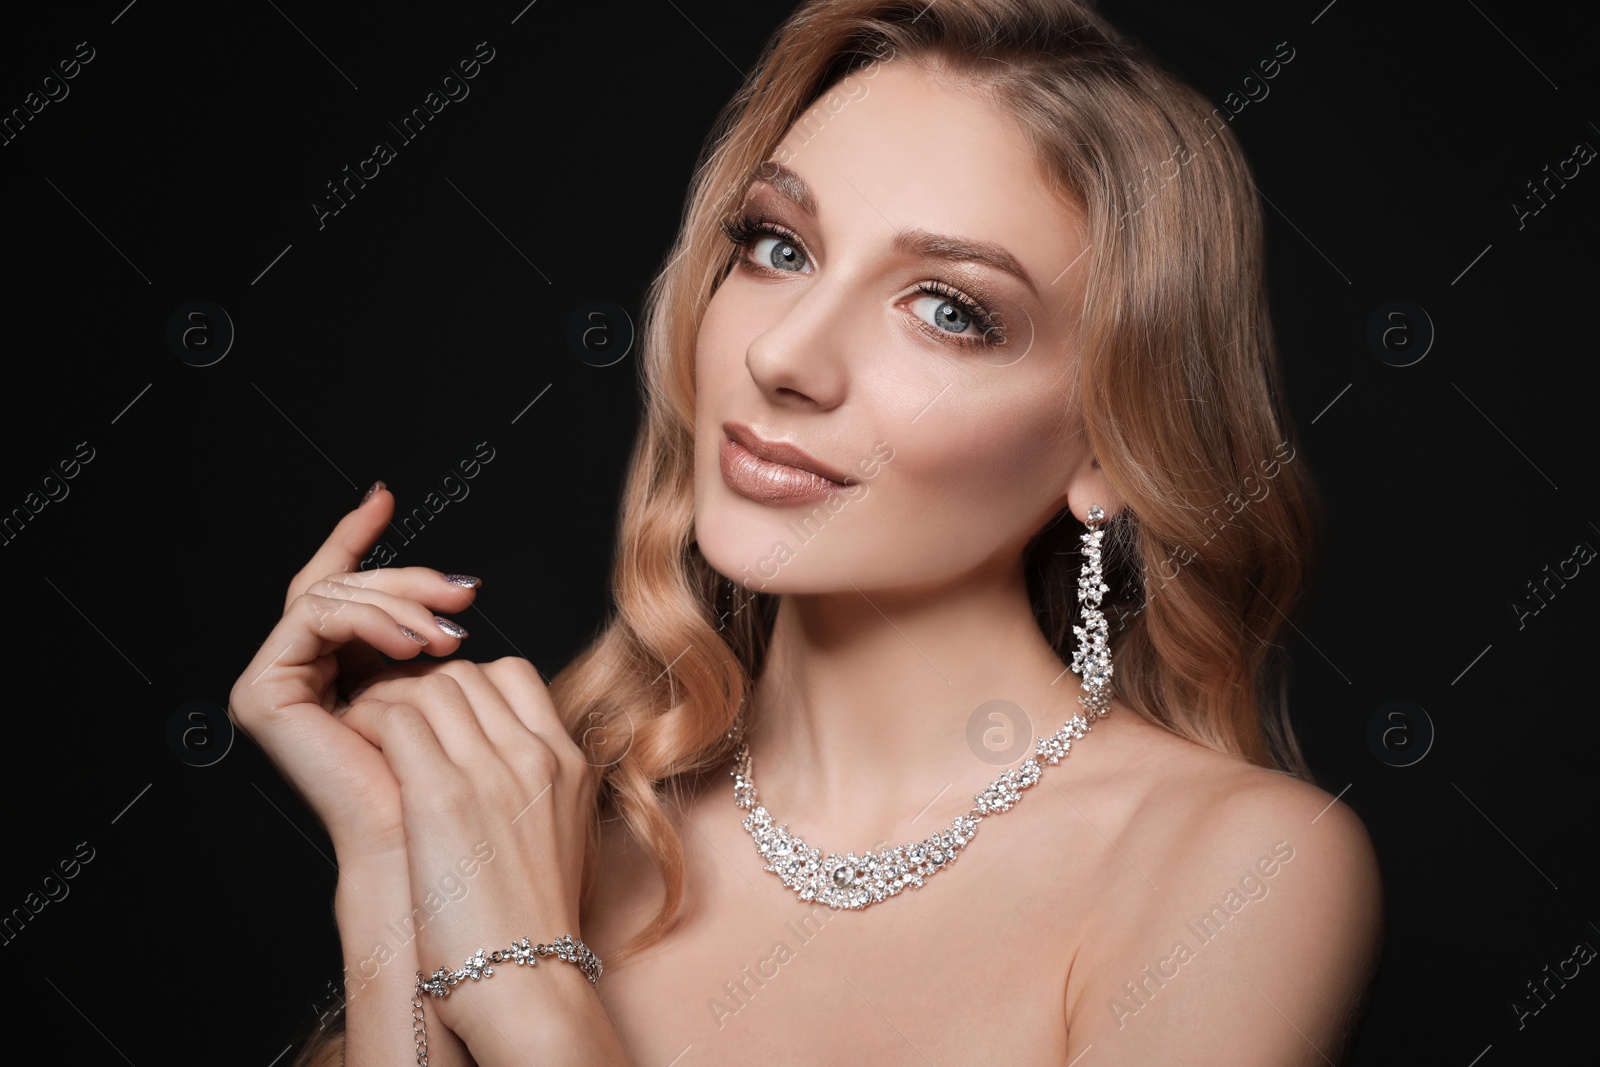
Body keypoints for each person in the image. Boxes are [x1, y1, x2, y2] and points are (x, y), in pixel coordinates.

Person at [230, 1, 1383, 1063]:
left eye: (950, 311)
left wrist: (529, 991)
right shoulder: (557, 820)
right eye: (779, 246)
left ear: (1110, 450)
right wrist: (392, 849)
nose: (782, 356)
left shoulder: (1236, 867)